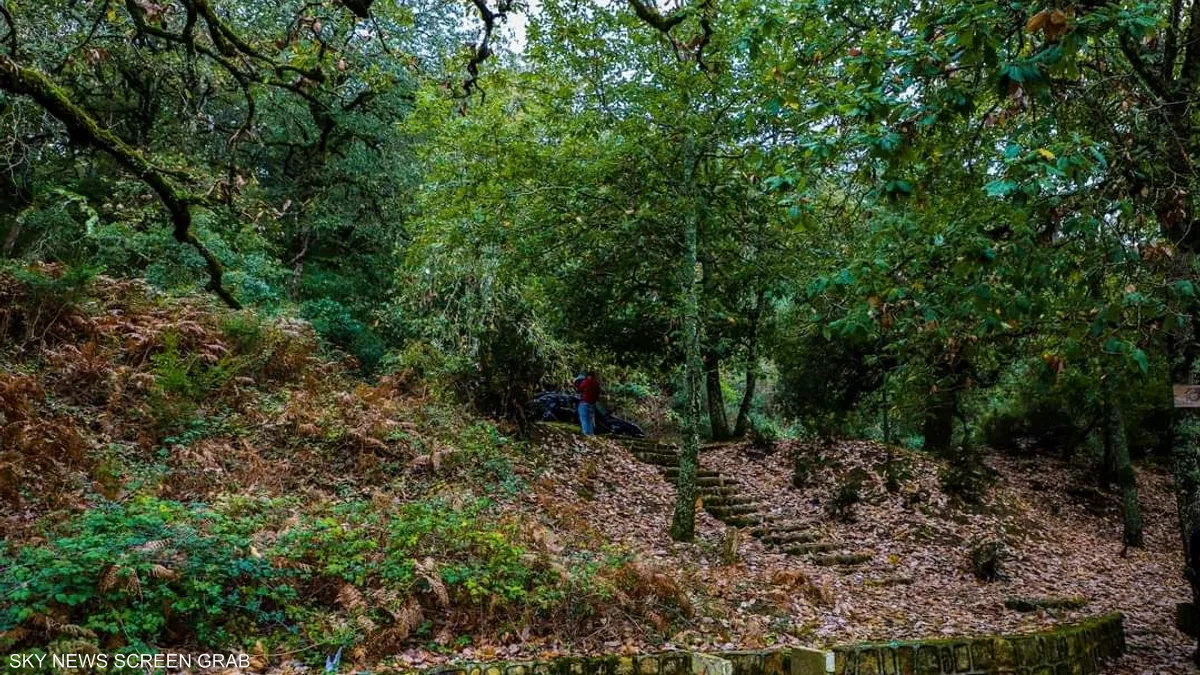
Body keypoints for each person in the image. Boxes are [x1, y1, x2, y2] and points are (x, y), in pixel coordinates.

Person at [574, 370, 600, 435]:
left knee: (584, 419)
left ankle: (585, 434)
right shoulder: (596, 383)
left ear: (588, 376)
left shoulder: (586, 382)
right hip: (592, 404)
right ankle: (591, 434)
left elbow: (579, 389)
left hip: (584, 403)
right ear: (594, 376)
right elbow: (597, 394)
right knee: (590, 420)